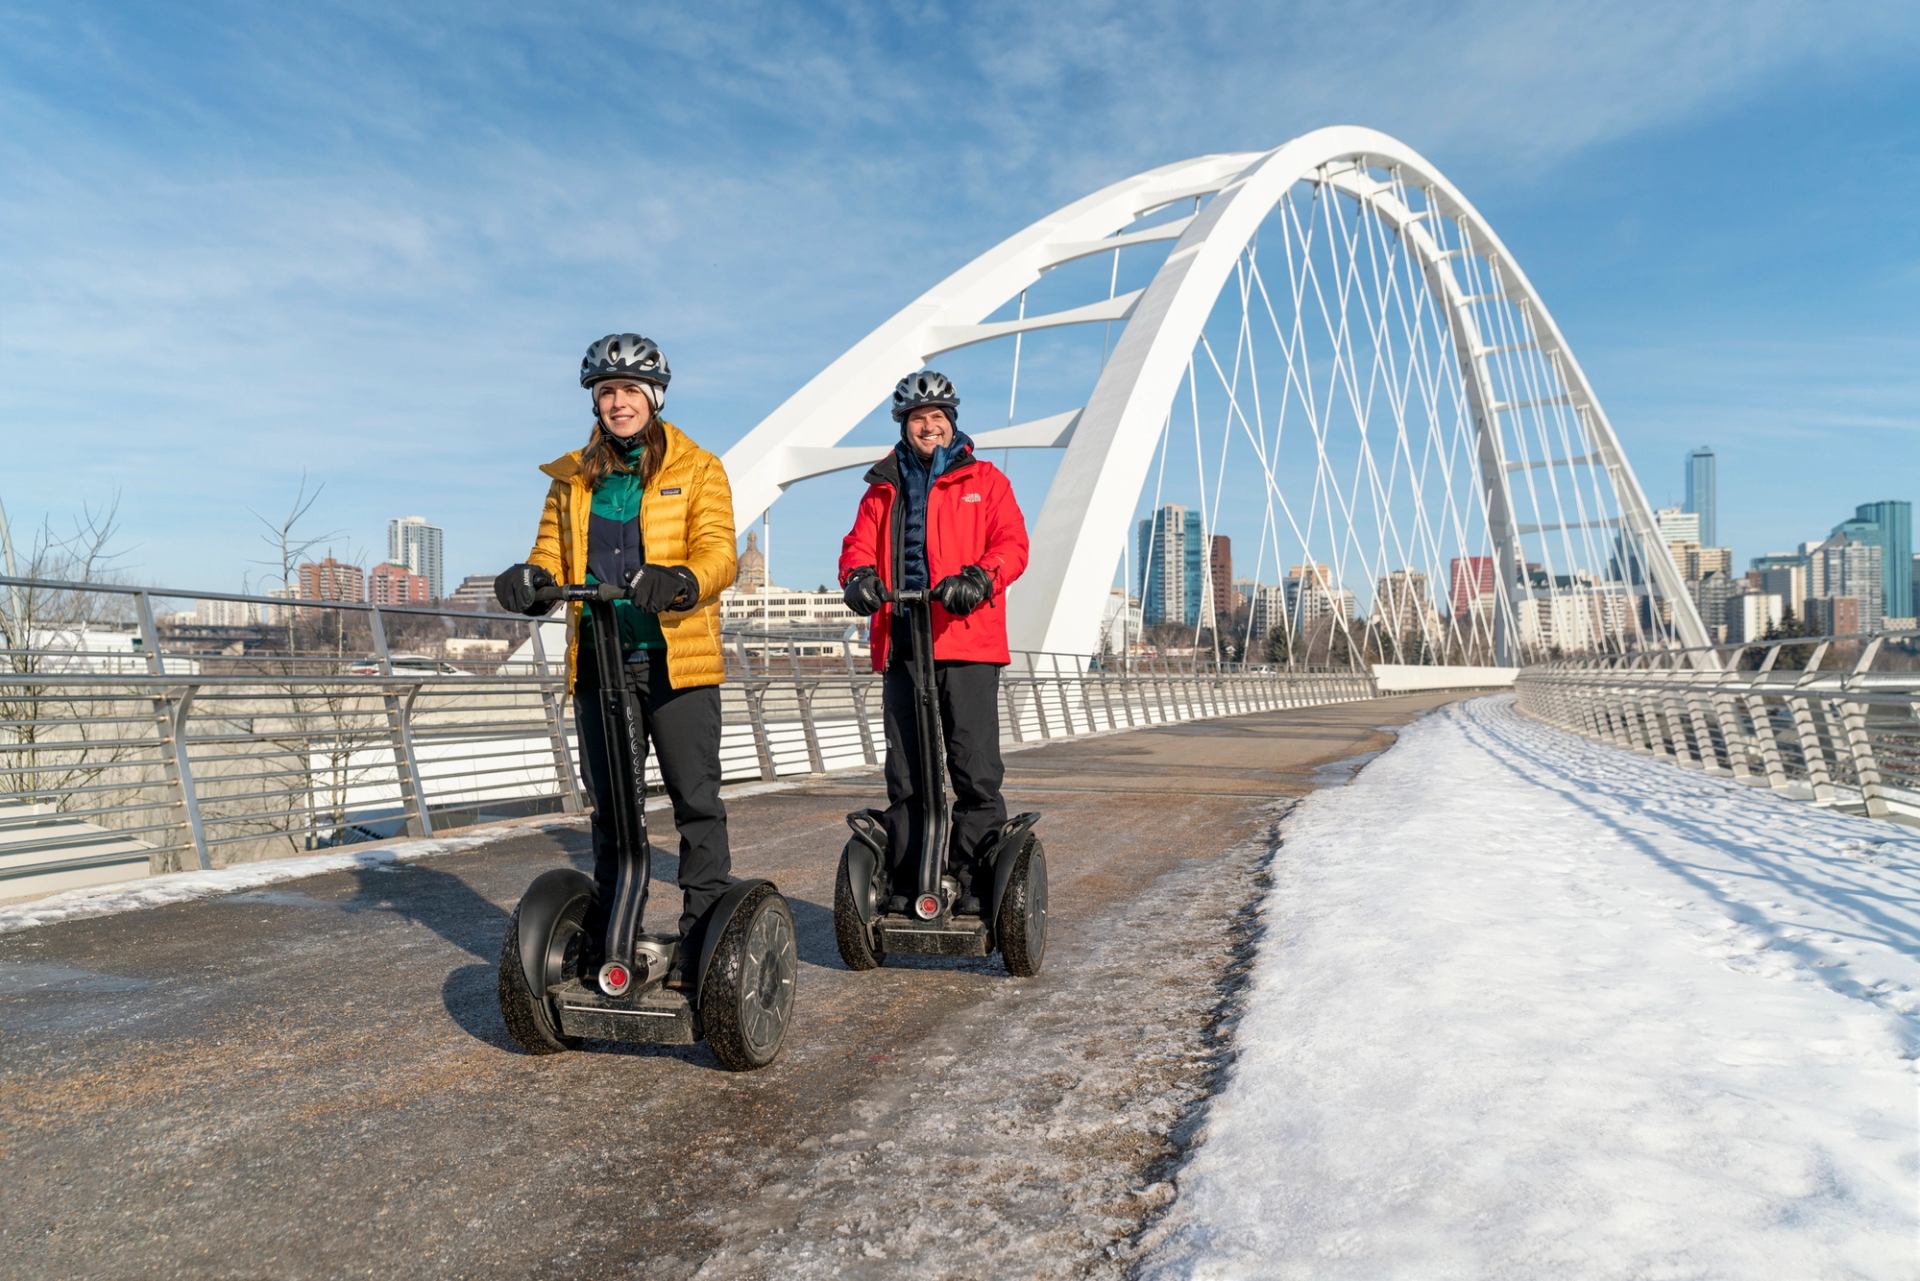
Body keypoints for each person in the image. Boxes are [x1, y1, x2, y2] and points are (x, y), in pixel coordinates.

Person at [494, 333, 737, 984]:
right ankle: (612, 937)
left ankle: (704, 941)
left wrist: (680, 579)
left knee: (695, 803)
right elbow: (550, 553)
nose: (619, 402)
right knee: (613, 808)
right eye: (607, 392)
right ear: (595, 401)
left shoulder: (698, 467)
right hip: (601, 661)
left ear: (654, 397)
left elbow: (719, 553)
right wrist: (530, 580)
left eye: (630, 390)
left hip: (675, 661)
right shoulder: (571, 478)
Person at [838, 370, 1030, 915]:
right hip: (902, 640)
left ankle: (971, 880)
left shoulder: (986, 480)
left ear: (952, 422)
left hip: (966, 641)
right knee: (907, 772)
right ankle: (908, 878)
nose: (929, 427)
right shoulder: (883, 487)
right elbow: (856, 546)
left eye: (938, 418)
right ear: (904, 425)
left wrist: (980, 578)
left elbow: (1013, 543)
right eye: (918, 418)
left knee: (974, 767)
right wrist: (858, 578)